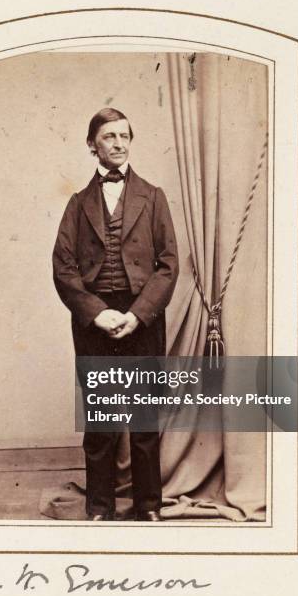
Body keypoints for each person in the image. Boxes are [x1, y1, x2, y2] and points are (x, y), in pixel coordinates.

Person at [52, 107, 179, 521]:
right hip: (96, 321)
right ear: (93, 145)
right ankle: (99, 508)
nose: (119, 143)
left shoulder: (153, 196)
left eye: (125, 135)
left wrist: (139, 314)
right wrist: (96, 313)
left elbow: (168, 264)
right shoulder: (77, 204)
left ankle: (149, 507)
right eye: (109, 136)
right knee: (102, 421)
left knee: (143, 419)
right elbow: (63, 266)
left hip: (142, 319)